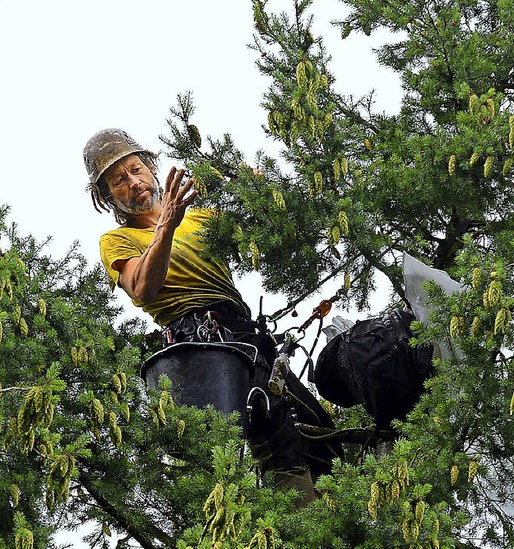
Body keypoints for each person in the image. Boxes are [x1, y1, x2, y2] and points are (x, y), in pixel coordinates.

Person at [83, 128, 340, 505]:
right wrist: (167, 224)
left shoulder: (202, 217)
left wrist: (256, 187)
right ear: (108, 198)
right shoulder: (118, 241)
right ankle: (284, 520)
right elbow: (141, 287)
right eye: (119, 181)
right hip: (200, 343)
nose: (133, 182)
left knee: (315, 427)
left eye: (137, 170)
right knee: (259, 434)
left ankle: (326, 514)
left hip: (244, 334)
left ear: (152, 170)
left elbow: (268, 231)